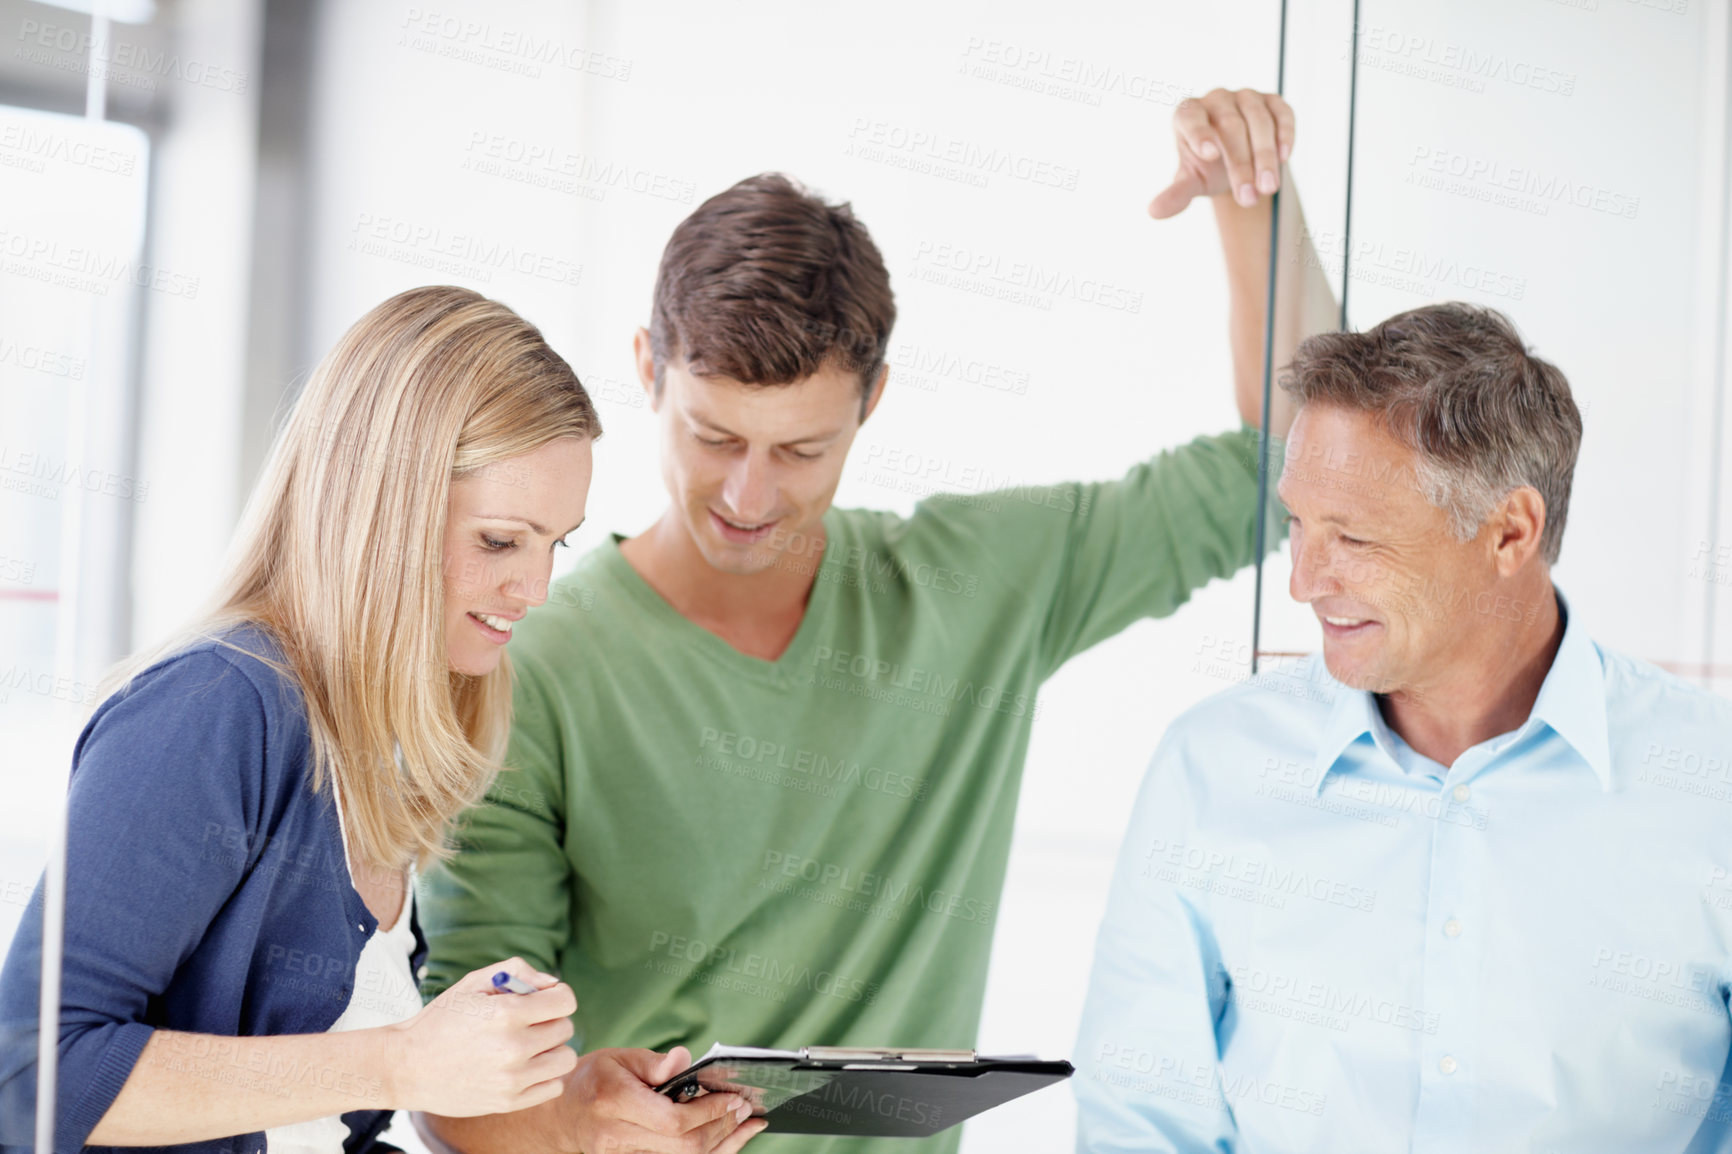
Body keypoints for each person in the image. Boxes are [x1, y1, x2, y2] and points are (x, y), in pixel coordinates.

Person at [417, 90, 1335, 1154]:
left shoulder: (975, 585)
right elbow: (462, 1083)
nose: (748, 495)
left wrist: (1250, 202)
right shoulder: (523, 670)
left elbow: (1290, 468)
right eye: (713, 435)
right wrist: (577, 1131)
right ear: (646, 366)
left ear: (875, 401)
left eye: (801, 450)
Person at [0, 286, 752, 1153]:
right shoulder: (217, 710)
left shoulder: (383, 738)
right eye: (501, 542)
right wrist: (399, 1061)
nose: (535, 590)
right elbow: (34, 1074)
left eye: (557, 543)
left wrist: (572, 1116)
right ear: (381, 512)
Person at [1073, 302, 1732, 1151]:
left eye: (1354, 537)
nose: (1305, 582)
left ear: (1509, 532)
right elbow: (1140, 1122)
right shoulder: (1211, 768)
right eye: (1297, 526)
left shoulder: (1708, 784)